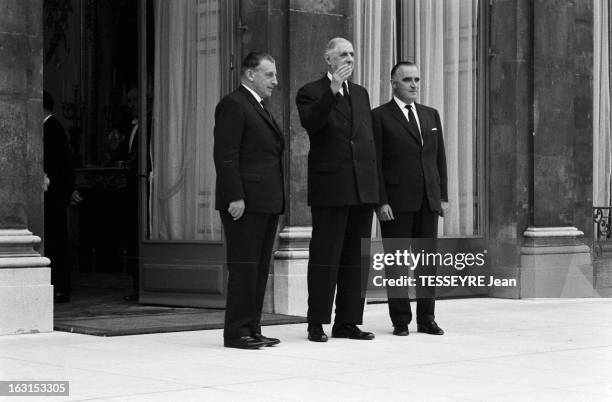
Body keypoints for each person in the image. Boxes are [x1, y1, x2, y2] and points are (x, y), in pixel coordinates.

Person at [296, 38, 379, 342]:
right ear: (328, 59)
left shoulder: (360, 93)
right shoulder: (310, 92)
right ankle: (317, 321)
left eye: (353, 54)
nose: (349, 59)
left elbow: (368, 142)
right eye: (343, 54)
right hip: (331, 187)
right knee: (325, 257)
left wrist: (376, 191)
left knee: (356, 259)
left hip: (361, 188)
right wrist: (331, 92)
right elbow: (312, 123)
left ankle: (347, 322)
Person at [213, 52, 285, 350]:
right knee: (244, 268)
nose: (275, 81)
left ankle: (253, 328)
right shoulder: (233, 104)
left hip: (265, 201)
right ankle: (237, 332)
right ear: (250, 74)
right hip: (244, 203)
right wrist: (235, 196)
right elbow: (226, 155)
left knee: (257, 268)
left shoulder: (260, 106)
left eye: (275, 75)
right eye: (269, 75)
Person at [372, 61, 448, 336]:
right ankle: (400, 321)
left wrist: (443, 197)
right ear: (394, 83)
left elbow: (439, 159)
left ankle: (427, 319)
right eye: (407, 80)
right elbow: (375, 162)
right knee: (397, 264)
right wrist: (380, 201)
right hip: (395, 204)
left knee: (427, 263)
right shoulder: (379, 116)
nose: (414, 85)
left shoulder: (431, 115)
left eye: (417, 79)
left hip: (428, 201)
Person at [43, 90, 82, 303]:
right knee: (54, 239)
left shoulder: (52, 128)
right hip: (54, 193)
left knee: (57, 240)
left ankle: (61, 286)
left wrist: (66, 190)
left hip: (54, 193)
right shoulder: (50, 127)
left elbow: (61, 164)